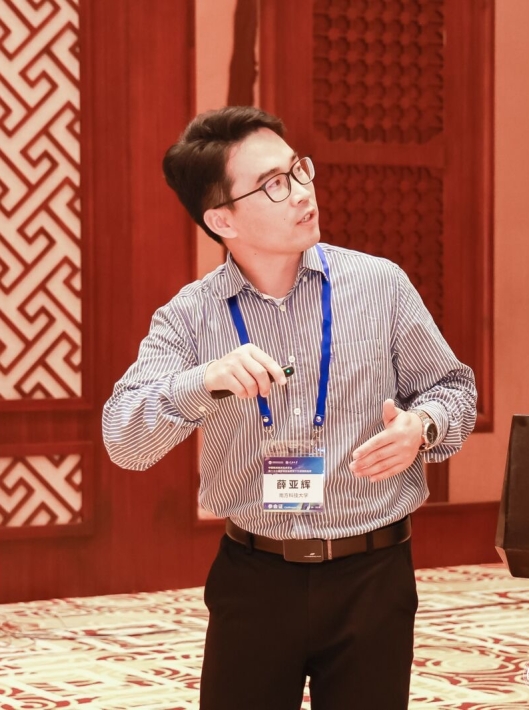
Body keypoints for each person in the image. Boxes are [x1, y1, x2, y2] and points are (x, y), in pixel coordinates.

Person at [102, 106, 477, 710]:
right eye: (273, 184)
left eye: (298, 170)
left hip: (372, 575)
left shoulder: (379, 285)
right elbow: (123, 439)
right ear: (221, 219)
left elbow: (454, 387)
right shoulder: (190, 316)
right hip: (255, 578)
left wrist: (423, 427)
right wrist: (202, 382)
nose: (302, 192)